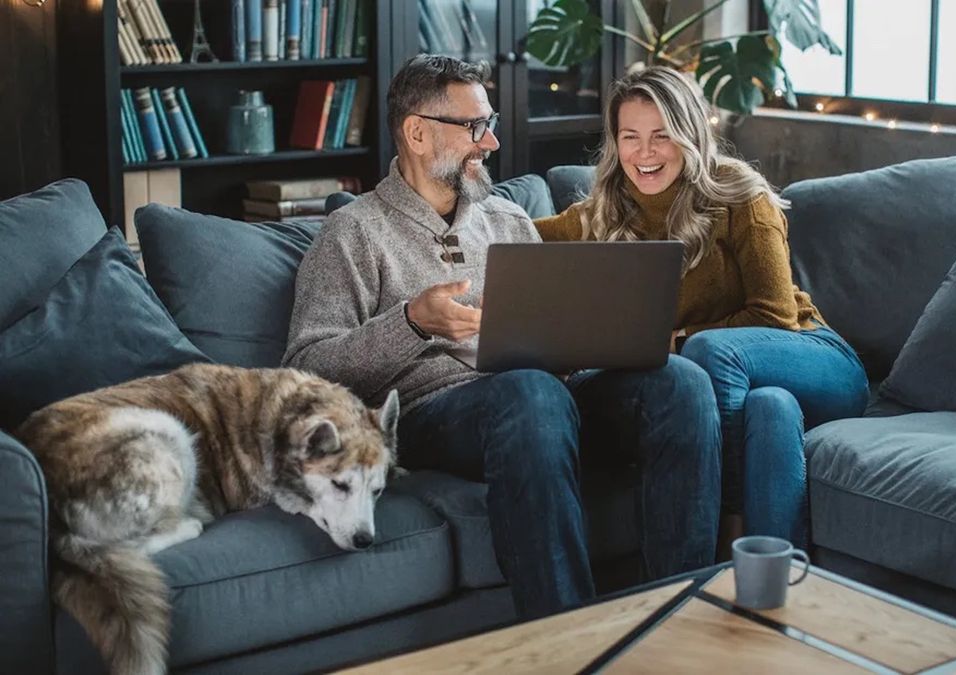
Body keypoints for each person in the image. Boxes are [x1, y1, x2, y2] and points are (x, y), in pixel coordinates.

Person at [283, 55, 721, 619]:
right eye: (473, 127)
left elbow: (554, 343)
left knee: (679, 381)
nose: (489, 143)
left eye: (490, 125)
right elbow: (306, 368)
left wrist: (610, 342)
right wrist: (412, 322)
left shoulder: (509, 221)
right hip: (434, 413)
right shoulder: (352, 233)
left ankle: (680, 618)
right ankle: (567, 638)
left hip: (543, 396)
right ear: (417, 132)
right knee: (529, 392)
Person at [534, 67, 868, 549]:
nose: (644, 153)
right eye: (630, 137)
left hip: (815, 358)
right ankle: (774, 583)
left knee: (711, 352)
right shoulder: (603, 211)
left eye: (662, 136)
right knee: (770, 410)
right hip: (755, 389)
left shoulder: (738, 193)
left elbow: (776, 315)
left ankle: (723, 526)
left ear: (689, 134)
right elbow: (515, 238)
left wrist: (679, 341)